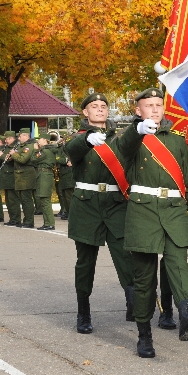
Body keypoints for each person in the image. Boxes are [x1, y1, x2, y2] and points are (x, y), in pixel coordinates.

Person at [117, 87, 188, 358]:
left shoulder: (178, 141)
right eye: (149, 105)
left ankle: (187, 315)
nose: (155, 109)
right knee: (144, 278)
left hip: (174, 210)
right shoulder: (131, 137)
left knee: (178, 264)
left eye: (158, 105)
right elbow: (124, 149)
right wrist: (139, 131)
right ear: (138, 110)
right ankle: (144, 335)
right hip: (143, 211)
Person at [64, 93, 136, 334]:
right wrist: (87, 141)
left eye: (103, 106)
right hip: (87, 205)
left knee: (127, 256)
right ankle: (83, 312)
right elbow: (71, 150)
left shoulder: (118, 139)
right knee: (85, 262)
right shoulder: (80, 138)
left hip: (116, 203)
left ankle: (133, 304)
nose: (99, 109)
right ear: (85, 112)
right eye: (94, 106)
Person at [10, 128, 37, 228]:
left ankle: (29, 221)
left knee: (26, 200)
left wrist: (13, 154)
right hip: (20, 175)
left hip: (26, 174)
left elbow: (23, 159)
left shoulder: (29, 146)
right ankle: (26, 220)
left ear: (26, 136)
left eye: (20, 136)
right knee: (23, 199)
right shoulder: (21, 146)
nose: (18, 137)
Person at [30, 136, 56, 230]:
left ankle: (49, 223)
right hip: (44, 175)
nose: (38, 141)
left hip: (44, 175)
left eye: (40, 139)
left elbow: (33, 159)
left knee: (45, 201)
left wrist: (35, 150)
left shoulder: (44, 151)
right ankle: (48, 223)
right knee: (44, 200)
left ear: (45, 140)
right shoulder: (46, 150)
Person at [54, 135, 75, 220]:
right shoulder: (62, 148)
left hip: (68, 174)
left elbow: (60, 159)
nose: (62, 141)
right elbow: (58, 158)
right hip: (63, 174)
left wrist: (64, 160)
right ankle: (67, 212)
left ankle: (71, 214)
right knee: (64, 195)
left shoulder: (70, 149)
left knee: (69, 196)